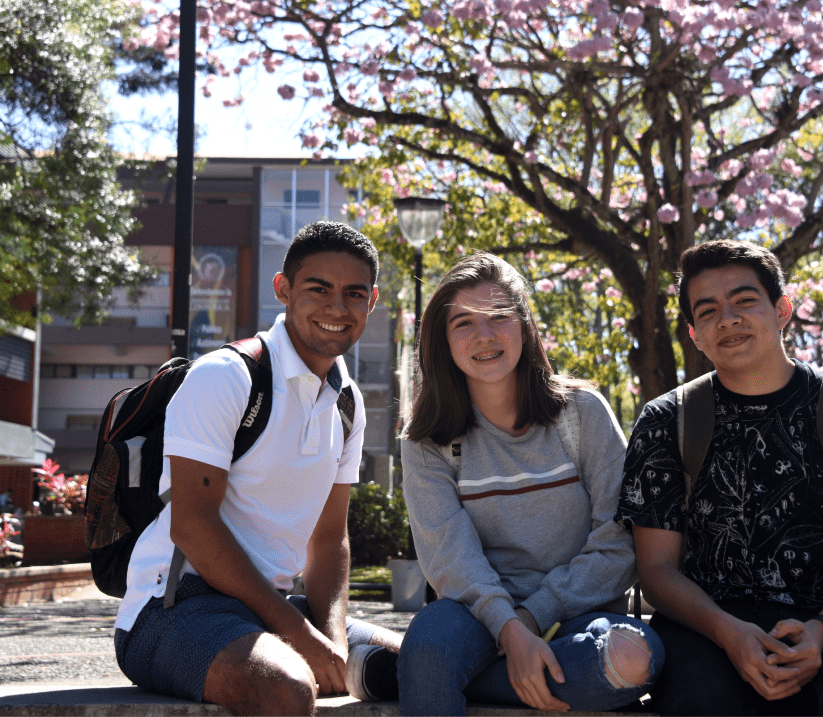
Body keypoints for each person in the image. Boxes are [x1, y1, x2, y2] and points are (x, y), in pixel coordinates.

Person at [616, 239, 823, 716]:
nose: (729, 319)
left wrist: (822, 630)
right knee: (703, 704)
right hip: (705, 626)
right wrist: (728, 632)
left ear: (782, 309)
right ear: (695, 333)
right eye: (709, 310)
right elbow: (657, 571)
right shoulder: (665, 423)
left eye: (744, 301)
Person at [113, 221, 402, 716]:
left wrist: (329, 637)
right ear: (283, 289)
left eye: (353, 294)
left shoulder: (348, 402)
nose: (337, 308)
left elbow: (329, 538)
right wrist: (299, 636)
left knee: (425, 658)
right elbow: (193, 526)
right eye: (318, 289)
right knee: (285, 687)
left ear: (372, 301)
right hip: (174, 607)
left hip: (272, 607)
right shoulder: (226, 377)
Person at [384, 252, 663, 715]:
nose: (485, 336)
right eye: (464, 324)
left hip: (579, 615)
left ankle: (442, 677)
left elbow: (619, 545)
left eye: (499, 317)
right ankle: (442, 669)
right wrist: (509, 630)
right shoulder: (427, 442)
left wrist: (531, 620)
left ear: (525, 325)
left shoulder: (582, 414)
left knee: (633, 660)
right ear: (442, 340)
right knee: (430, 645)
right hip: (473, 616)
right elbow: (449, 559)